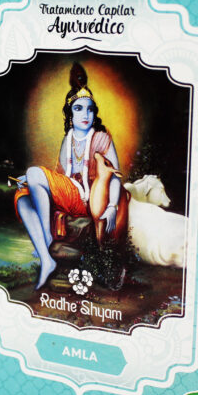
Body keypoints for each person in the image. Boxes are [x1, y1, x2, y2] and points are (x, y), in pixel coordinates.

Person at [14, 62, 121, 289]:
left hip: (88, 200)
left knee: (33, 172)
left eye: (90, 109)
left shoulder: (102, 138)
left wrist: (112, 206)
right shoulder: (68, 139)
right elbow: (59, 176)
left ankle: (46, 238)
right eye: (78, 108)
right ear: (70, 114)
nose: (86, 114)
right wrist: (32, 181)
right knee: (22, 197)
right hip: (68, 195)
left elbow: (115, 176)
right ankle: (47, 259)